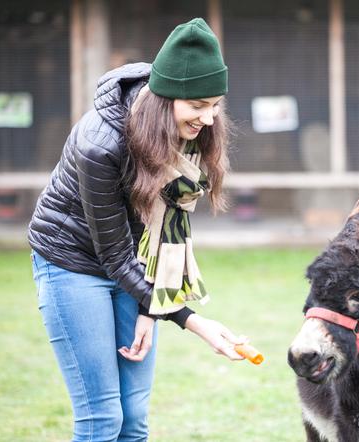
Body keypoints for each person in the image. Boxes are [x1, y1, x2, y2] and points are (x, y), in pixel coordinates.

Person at [28, 18, 244, 441]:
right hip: (72, 265)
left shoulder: (186, 132)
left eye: (215, 104)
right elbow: (113, 256)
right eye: (198, 105)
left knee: (134, 418)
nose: (209, 116)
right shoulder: (101, 144)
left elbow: (163, 231)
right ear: (166, 100)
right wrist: (192, 321)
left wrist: (150, 308)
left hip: (136, 265)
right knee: (102, 418)